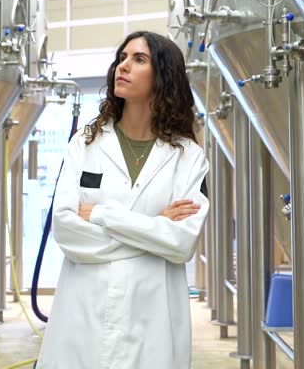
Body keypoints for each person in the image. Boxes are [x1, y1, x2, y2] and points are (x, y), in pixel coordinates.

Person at [36, 31, 210, 369]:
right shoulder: (84, 144)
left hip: (153, 317)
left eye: (139, 59)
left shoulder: (189, 157)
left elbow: (181, 243)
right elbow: (67, 231)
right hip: (83, 312)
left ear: (163, 76)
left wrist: (102, 214)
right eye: (122, 57)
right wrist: (153, 226)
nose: (123, 65)